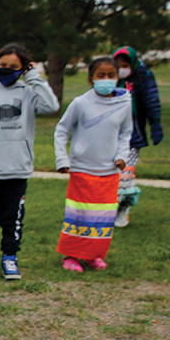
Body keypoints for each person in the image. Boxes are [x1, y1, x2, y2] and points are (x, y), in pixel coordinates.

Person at [0, 43, 60, 280]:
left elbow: (52, 106)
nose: (6, 69)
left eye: (13, 67)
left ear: (23, 68)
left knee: (12, 217)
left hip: (18, 167)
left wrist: (34, 77)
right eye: (2, 65)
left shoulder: (28, 92)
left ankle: (10, 257)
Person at [54, 57, 133, 271]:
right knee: (79, 214)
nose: (106, 80)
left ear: (118, 78)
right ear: (91, 79)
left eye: (111, 75)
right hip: (82, 169)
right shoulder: (81, 103)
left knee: (103, 216)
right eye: (101, 75)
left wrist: (122, 156)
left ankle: (93, 255)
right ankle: (70, 256)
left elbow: (126, 132)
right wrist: (63, 159)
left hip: (109, 171)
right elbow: (61, 130)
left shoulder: (125, 103)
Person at [111, 46, 163, 227]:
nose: (121, 69)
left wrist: (155, 125)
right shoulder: (109, 79)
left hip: (133, 136)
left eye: (125, 65)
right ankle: (107, 209)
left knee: (125, 177)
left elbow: (152, 100)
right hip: (109, 136)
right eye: (118, 65)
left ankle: (122, 209)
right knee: (109, 176)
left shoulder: (143, 78)